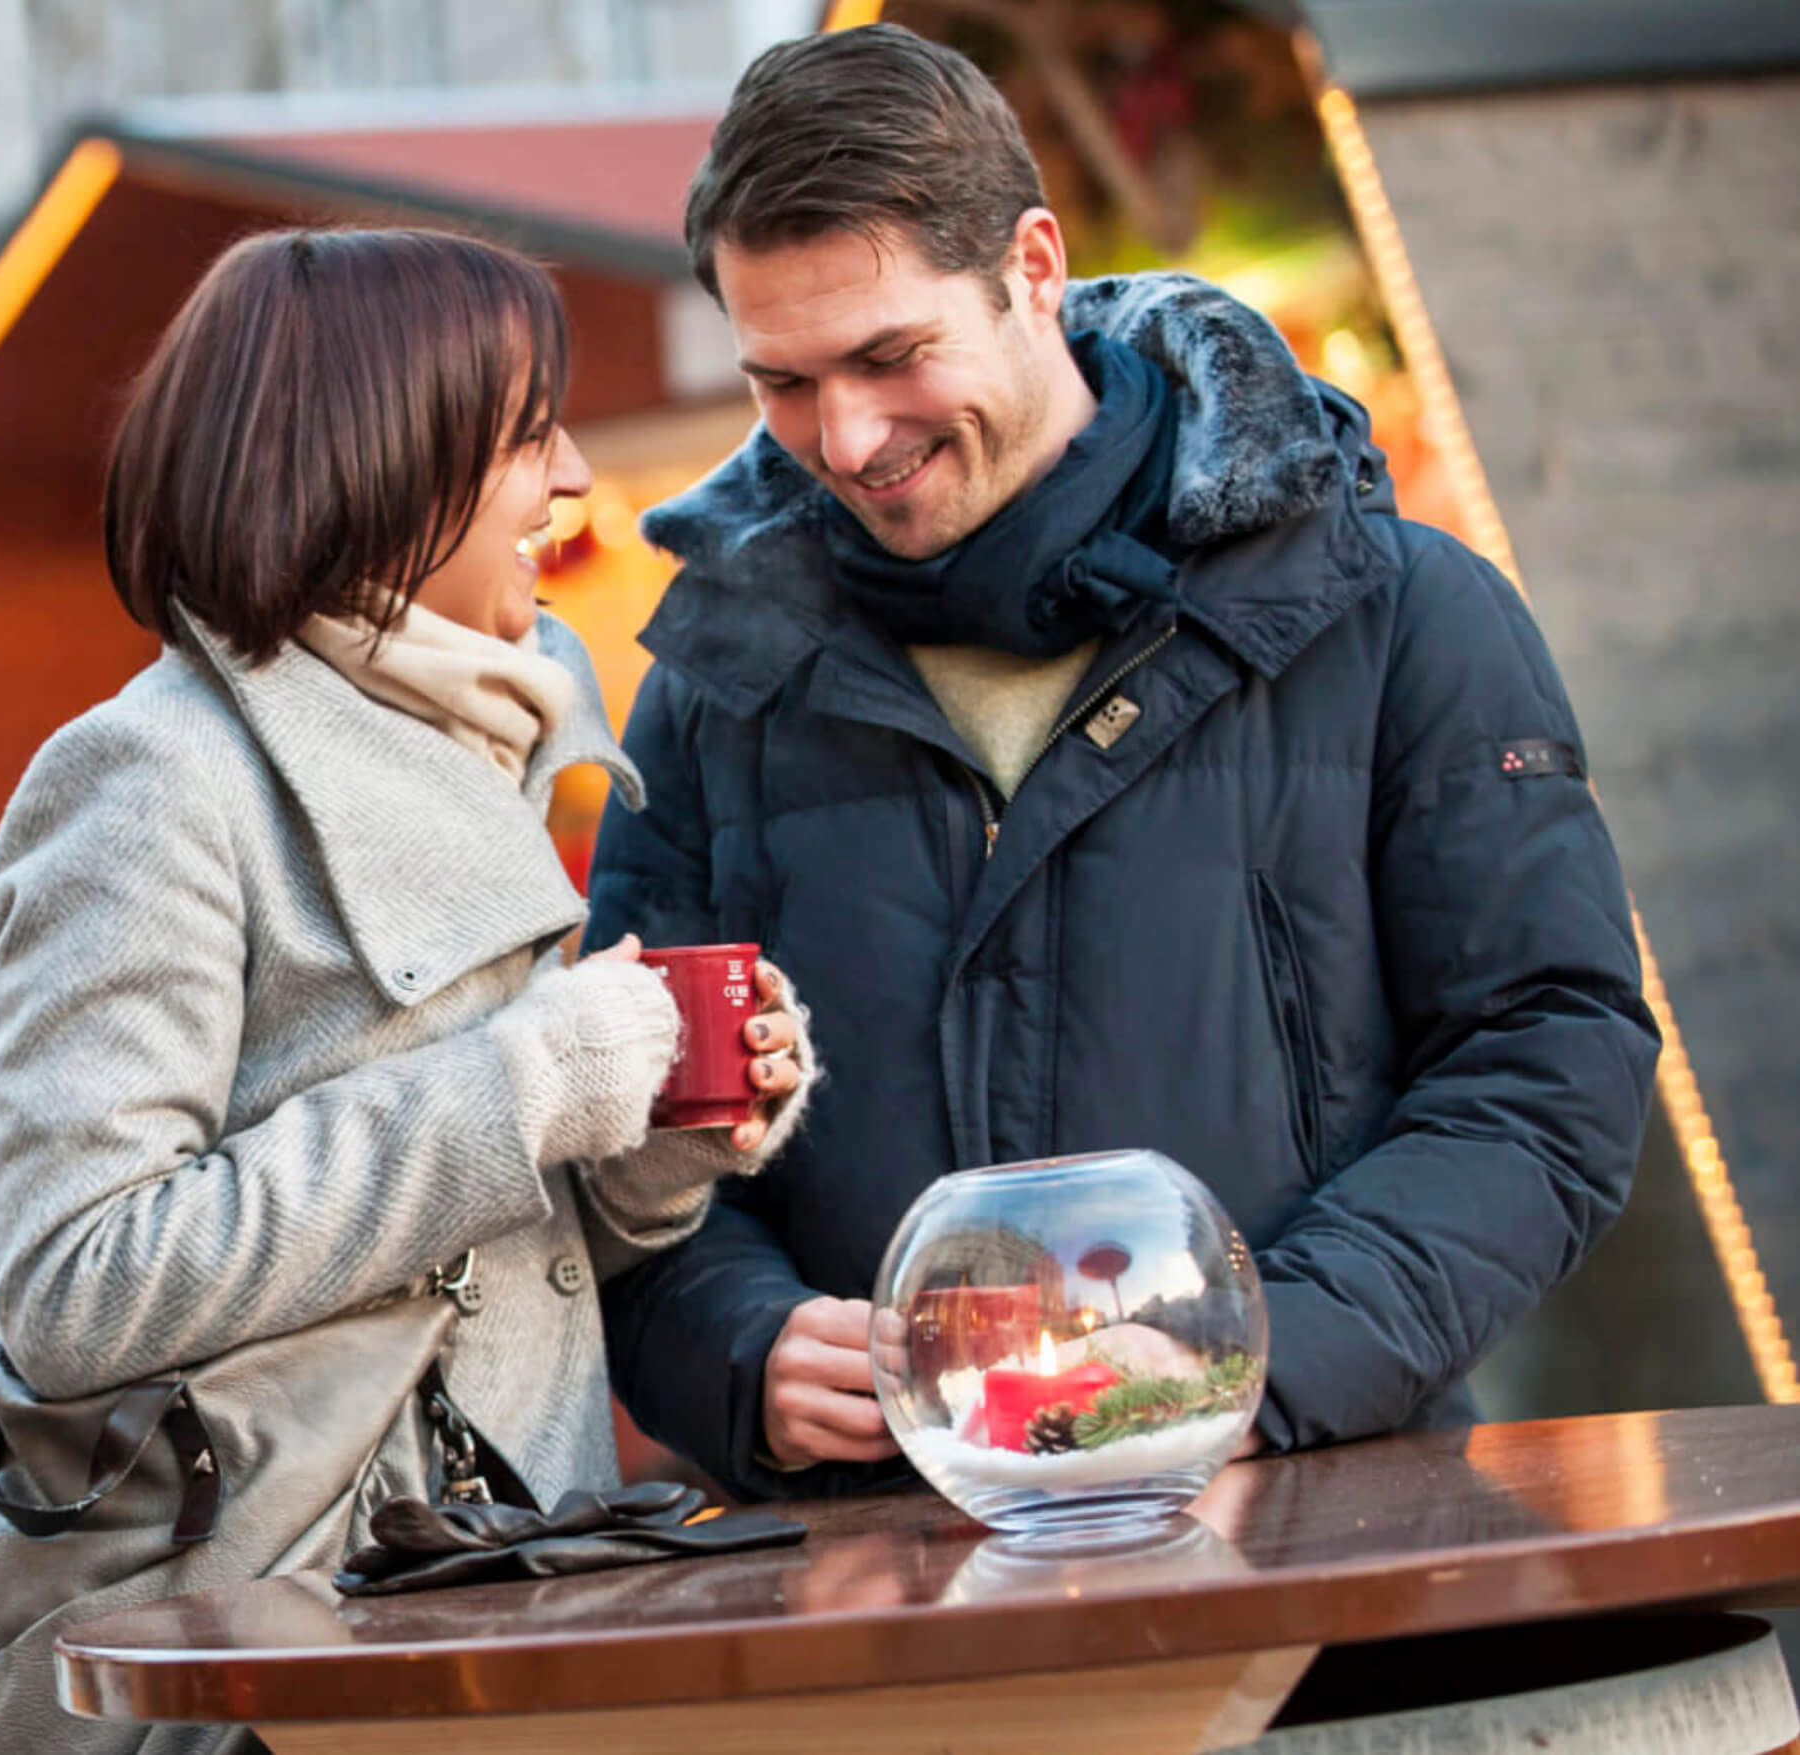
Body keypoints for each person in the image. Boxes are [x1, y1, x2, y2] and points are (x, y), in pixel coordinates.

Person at [588, 24, 1659, 1500]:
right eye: (783, 381)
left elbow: (1547, 1065)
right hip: (873, 1606)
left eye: (892, 357)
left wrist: (1256, 1360)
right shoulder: (712, 694)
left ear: (1034, 266)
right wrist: (741, 1350)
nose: (843, 437)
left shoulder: (1401, 617)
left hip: (1314, 1536)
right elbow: (638, 1142)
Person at [0, 226, 809, 1754]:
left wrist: (650, 1145)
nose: (574, 477)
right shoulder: (150, 780)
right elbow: (73, 1286)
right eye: (530, 436)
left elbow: (494, 1254)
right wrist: (523, 1087)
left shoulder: (475, 731)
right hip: (277, 1655)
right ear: (390, 456)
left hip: (489, 1615)